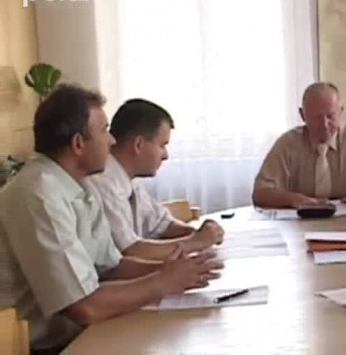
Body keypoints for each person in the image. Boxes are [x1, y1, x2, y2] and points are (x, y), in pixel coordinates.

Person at [0, 85, 222, 352]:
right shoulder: (38, 193)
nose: (113, 141)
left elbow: (110, 268)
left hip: (77, 335)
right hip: (36, 347)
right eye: (104, 130)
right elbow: (84, 307)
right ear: (78, 144)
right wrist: (162, 281)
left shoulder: (82, 184)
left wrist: (177, 271)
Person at [88, 99, 224, 261]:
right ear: (138, 145)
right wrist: (196, 242)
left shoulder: (129, 180)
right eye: (162, 145)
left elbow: (162, 224)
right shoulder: (103, 183)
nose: (166, 155)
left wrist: (198, 233)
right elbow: (130, 252)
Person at [253, 82, 346, 208]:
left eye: (330, 116)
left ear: (341, 111)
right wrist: (295, 200)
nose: (324, 124)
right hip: (301, 221)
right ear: (302, 115)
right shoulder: (288, 144)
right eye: (316, 117)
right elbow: (260, 193)